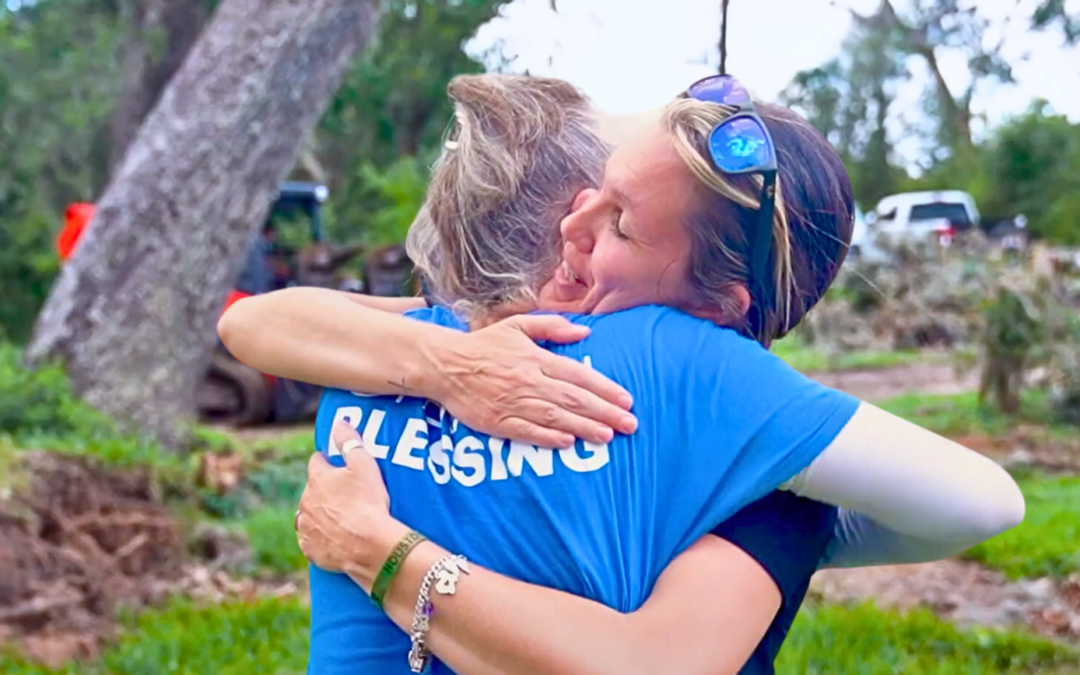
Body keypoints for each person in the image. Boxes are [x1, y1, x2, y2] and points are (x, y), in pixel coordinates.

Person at [218, 74, 1024, 675]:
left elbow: (256, 322)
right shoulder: (466, 345)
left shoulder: (374, 366)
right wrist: (453, 364)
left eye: (621, 223)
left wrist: (378, 548)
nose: (575, 225)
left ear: (718, 304)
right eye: (590, 196)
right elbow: (256, 323)